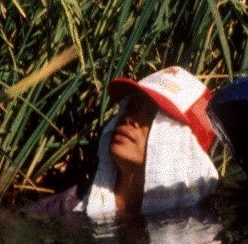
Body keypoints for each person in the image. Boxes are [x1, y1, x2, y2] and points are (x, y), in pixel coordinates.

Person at [24, 66, 219, 218]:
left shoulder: (201, 219)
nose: (129, 119)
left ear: (179, 145)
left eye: (151, 117)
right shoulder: (65, 208)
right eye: (130, 109)